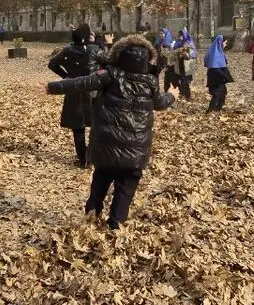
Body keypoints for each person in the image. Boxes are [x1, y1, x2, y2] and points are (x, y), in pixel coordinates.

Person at [46, 35, 175, 230]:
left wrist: (51, 87)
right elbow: (160, 103)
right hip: (135, 152)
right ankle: (115, 226)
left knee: (100, 180)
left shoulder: (110, 74)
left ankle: (91, 218)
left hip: (107, 147)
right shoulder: (150, 81)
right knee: (125, 190)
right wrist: (172, 96)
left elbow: (82, 83)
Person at [48, 23, 105, 168]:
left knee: (77, 127)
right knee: (96, 126)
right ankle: (90, 157)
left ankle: (82, 159)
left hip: (73, 90)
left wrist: (67, 76)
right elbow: (109, 61)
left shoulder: (68, 50)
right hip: (92, 91)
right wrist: (105, 44)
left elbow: (52, 64)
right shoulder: (95, 50)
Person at [203, 34, 233, 112]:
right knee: (216, 93)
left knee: (223, 92)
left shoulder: (219, 51)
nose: (225, 45)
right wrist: (223, 75)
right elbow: (213, 66)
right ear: (220, 42)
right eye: (225, 43)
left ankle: (218, 108)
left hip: (220, 75)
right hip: (215, 75)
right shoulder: (214, 53)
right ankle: (211, 109)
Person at [172, 28, 197, 100]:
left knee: (185, 81)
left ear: (184, 35)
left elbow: (193, 54)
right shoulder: (177, 43)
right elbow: (173, 52)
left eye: (180, 36)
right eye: (178, 36)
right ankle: (182, 94)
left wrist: (186, 53)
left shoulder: (189, 42)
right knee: (180, 80)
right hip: (179, 64)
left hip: (187, 65)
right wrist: (178, 51)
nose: (179, 37)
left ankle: (187, 95)